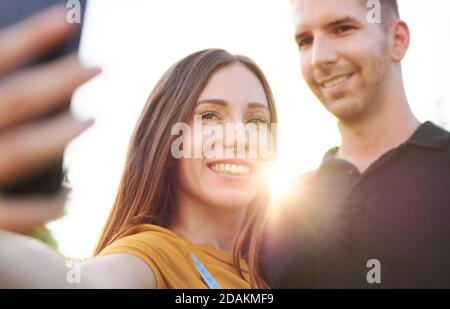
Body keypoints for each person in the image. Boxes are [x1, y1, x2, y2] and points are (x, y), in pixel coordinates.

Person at [0, 7, 278, 289]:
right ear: (168, 142)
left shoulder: (279, 264)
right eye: (209, 116)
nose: (240, 137)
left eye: (257, 120)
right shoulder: (151, 255)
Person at [262, 0, 450, 288]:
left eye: (342, 28)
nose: (318, 58)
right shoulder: (281, 211)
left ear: (396, 40)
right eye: (305, 40)